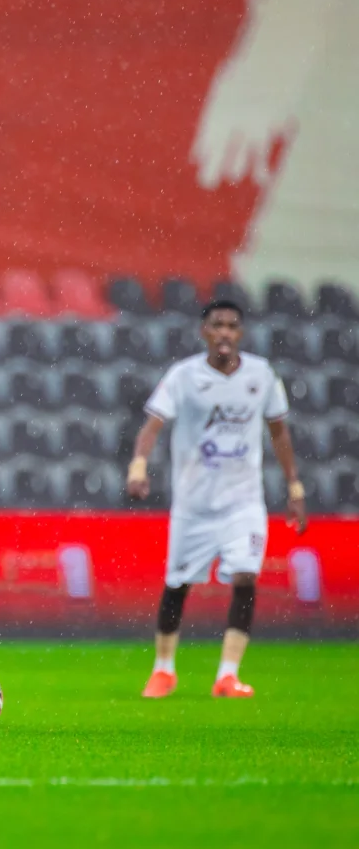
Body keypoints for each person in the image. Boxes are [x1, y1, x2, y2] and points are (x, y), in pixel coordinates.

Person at [128, 299, 308, 700]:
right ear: (204, 332)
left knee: (245, 577)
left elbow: (279, 432)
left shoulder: (261, 375)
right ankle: (163, 670)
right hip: (193, 506)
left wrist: (294, 487)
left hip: (243, 504)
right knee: (177, 584)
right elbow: (153, 425)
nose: (224, 332)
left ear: (240, 333)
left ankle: (228, 675)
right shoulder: (184, 376)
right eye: (217, 325)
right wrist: (138, 466)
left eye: (231, 325)